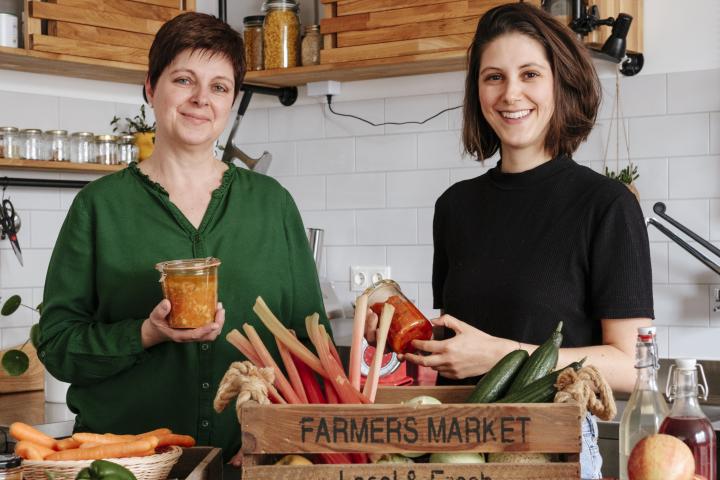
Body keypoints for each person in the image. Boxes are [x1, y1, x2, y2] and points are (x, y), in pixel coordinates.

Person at [365, 4, 652, 478]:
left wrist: (504, 355)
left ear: (561, 83)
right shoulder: (455, 206)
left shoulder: (606, 204)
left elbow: (632, 369)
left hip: (551, 450)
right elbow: (461, 344)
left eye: (530, 74)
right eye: (493, 77)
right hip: (461, 449)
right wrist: (402, 340)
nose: (510, 93)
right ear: (477, 91)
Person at [37, 12, 328, 465]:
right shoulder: (98, 207)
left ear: (231, 101)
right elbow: (57, 346)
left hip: (251, 464)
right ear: (151, 87)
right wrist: (145, 334)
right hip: (126, 466)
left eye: (219, 87)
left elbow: (313, 347)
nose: (200, 99)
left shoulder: (273, 205)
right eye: (184, 80)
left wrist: (282, 437)